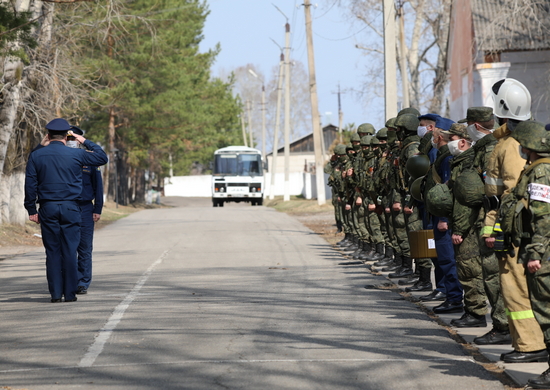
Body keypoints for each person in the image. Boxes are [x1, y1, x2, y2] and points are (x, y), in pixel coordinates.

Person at [482, 78, 547, 363]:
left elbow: (495, 198)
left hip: (514, 233)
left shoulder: (505, 146)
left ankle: (530, 345)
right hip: (531, 232)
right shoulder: (537, 139)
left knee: (514, 286)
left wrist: (490, 229)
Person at [24, 118, 108, 303]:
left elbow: (30, 184)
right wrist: (84, 140)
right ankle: (70, 294)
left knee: (53, 251)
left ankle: (55, 294)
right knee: (70, 250)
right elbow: (102, 157)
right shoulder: (76, 155)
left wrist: (31, 209)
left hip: (48, 207)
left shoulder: (37, 155)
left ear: (48, 135)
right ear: (67, 136)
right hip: (72, 207)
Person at [501, 121, 550, 387]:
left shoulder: (540, 171)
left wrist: (535, 254)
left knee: (546, 312)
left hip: (543, 253)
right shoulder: (539, 168)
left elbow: (542, 217)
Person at [69, 126, 104, 295]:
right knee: (68, 247)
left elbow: (98, 185)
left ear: (79, 140)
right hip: (66, 206)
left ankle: (83, 282)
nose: (71, 142)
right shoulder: (60, 156)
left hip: (85, 208)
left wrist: (98, 208)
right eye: (68, 138)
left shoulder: (88, 158)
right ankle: (71, 279)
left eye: (73, 138)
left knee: (84, 247)